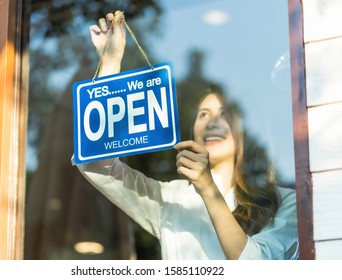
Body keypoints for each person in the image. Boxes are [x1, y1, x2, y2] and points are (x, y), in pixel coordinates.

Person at [73, 11, 298, 260]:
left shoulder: (287, 202)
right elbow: (96, 162)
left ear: (245, 131)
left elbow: (257, 266)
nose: (211, 122)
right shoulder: (171, 198)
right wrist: (110, 64)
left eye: (223, 114)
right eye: (203, 114)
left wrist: (208, 189)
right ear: (193, 133)